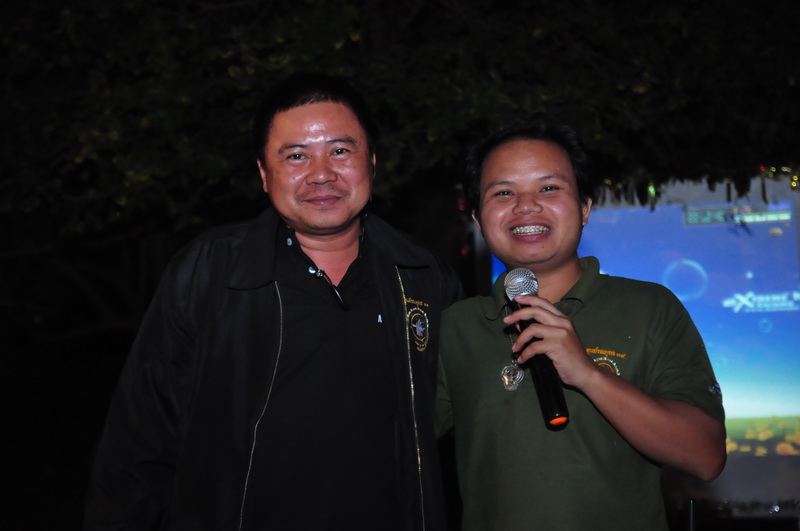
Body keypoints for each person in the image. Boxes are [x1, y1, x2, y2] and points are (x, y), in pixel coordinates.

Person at [85, 73, 461, 530]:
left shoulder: (422, 276)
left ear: (373, 163)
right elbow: (139, 439)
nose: (321, 174)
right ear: (264, 175)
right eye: (296, 156)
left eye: (340, 151)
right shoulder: (212, 272)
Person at [435, 114, 726, 530]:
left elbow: (706, 456)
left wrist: (588, 374)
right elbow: (391, 444)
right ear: (479, 220)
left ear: (585, 207)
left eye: (549, 188)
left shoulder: (649, 307)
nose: (526, 205)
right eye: (503, 192)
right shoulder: (456, 326)